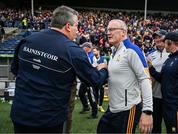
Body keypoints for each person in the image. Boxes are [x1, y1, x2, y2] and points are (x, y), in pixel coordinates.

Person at [10, 5, 108, 133]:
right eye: (76, 26)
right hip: (49, 120)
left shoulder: (27, 40)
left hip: (21, 115)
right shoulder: (72, 50)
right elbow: (95, 80)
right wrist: (104, 69)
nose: (77, 30)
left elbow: (15, 70)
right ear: (68, 26)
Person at [97, 19, 153, 133]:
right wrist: (107, 69)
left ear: (123, 32)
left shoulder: (132, 50)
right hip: (112, 108)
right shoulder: (114, 51)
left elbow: (145, 79)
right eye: (108, 30)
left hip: (128, 109)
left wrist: (147, 111)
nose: (108, 32)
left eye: (112, 29)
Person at [149, 31, 178, 133]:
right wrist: (151, 68)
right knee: (169, 129)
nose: (161, 42)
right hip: (167, 102)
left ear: (170, 42)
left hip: (175, 104)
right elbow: (162, 78)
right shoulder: (170, 59)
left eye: (165, 41)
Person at [147, 29, 169, 133]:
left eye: (159, 37)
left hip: (170, 96)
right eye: (155, 37)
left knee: (172, 124)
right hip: (155, 95)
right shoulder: (150, 55)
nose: (157, 39)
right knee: (155, 125)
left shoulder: (173, 53)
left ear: (165, 38)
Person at [78, 42, 98, 118]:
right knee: (81, 93)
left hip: (90, 79)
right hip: (85, 79)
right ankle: (86, 107)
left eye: (83, 47)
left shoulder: (91, 56)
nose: (82, 48)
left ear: (87, 48)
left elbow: (94, 68)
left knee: (91, 96)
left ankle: (94, 113)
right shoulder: (85, 55)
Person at [92, 46, 107, 113]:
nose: (93, 52)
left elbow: (106, 68)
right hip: (94, 78)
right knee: (95, 92)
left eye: (94, 51)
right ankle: (96, 105)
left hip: (102, 78)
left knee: (101, 91)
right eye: (93, 51)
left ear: (98, 51)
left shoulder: (103, 58)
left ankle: (100, 105)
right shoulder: (92, 58)